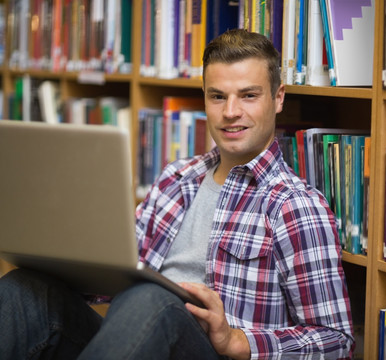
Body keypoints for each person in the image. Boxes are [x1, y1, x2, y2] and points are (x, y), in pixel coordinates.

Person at [0, 29, 354, 359]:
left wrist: (236, 340)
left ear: (278, 99)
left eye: (248, 95)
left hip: (211, 349)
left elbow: (337, 340)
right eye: (218, 96)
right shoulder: (177, 178)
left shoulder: (296, 205)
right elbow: (119, 275)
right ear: (204, 99)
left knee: (152, 298)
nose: (231, 112)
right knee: (24, 290)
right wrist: (60, 258)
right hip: (138, 338)